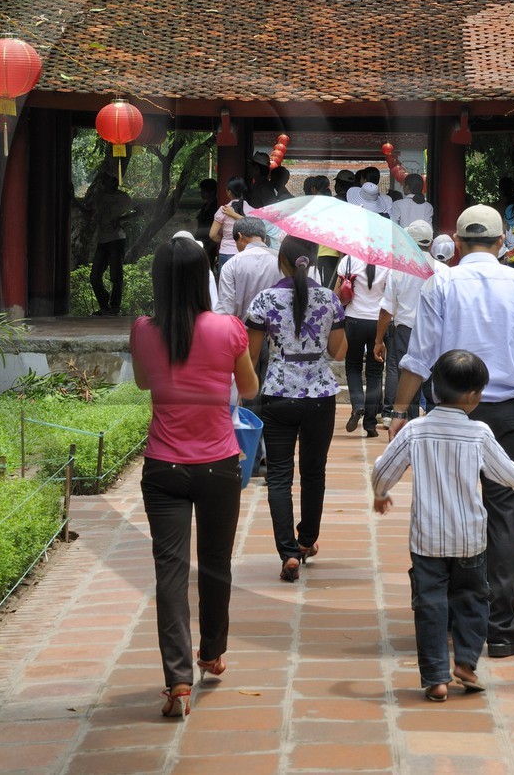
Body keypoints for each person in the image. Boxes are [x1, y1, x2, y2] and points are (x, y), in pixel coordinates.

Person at [388, 204, 514, 660]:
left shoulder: (442, 283)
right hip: (509, 416)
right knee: (503, 520)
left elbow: (419, 357)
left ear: (456, 243)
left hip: (449, 415)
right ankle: (499, 628)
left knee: (445, 509)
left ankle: (454, 617)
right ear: (503, 244)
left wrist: (400, 411)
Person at [129, 236, 261, 718]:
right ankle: (212, 652)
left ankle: (178, 682)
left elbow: (145, 382)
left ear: (158, 282)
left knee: (170, 573)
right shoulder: (228, 329)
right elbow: (249, 388)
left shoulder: (143, 329)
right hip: (218, 465)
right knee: (215, 563)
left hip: (163, 466)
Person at [371, 349, 514, 701]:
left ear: (433, 389)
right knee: (474, 600)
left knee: (430, 605)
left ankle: (436, 678)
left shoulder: (416, 430)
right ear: (474, 396)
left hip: (427, 540)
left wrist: (380, 494)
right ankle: (466, 663)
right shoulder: (479, 434)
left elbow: (383, 469)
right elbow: (508, 477)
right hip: (470, 539)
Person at [245, 236, 348, 581]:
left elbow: (251, 354)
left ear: (283, 261)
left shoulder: (265, 300)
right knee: (314, 472)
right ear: (314, 258)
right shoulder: (328, 298)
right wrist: (340, 312)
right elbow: (339, 353)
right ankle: (306, 540)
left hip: (278, 393)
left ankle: (288, 552)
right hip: (320, 394)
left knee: (279, 475)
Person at [374, 220, 444, 420]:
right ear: (430, 244)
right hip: (435, 332)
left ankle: (412, 425)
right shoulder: (443, 270)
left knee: (409, 378)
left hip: (407, 331)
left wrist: (379, 341)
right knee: (434, 380)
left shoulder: (399, 269)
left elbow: (386, 309)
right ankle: (434, 423)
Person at [336, 249, 389, 436]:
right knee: (375, 372)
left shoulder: (349, 260)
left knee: (353, 366)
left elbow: (337, 293)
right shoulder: (388, 263)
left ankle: (357, 405)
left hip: (354, 320)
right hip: (378, 322)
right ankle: (370, 424)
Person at [88, 171, 135, 317]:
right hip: (103, 239)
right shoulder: (100, 197)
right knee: (94, 276)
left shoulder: (122, 197)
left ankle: (114, 307)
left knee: (116, 275)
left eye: (112, 180)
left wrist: (121, 219)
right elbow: (91, 215)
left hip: (117, 238)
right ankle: (104, 305)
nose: (111, 182)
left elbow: (140, 211)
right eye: (107, 180)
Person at [215, 217, 279, 322]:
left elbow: (226, 309)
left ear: (239, 236)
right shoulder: (282, 260)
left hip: (242, 332)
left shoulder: (231, 265)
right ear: (264, 238)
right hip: (277, 332)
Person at [317, 170, 356, 287]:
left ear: (337, 185)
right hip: (349, 255)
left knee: (327, 288)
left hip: (327, 253)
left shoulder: (330, 204)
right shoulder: (354, 205)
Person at [208, 177, 252, 277]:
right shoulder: (250, 209)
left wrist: (225, 239)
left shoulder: (223, 210)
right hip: (246, 252)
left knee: (226, 286)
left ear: (228, 192)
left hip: (226, 252)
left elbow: (212, 234)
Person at [194, 178, 219, 268]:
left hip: (209, 243)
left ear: (211, 192)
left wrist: (211, 245)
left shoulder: (216, 207)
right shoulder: (205, 206)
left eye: (204, 191)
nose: (201, 193)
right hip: (201, 241)